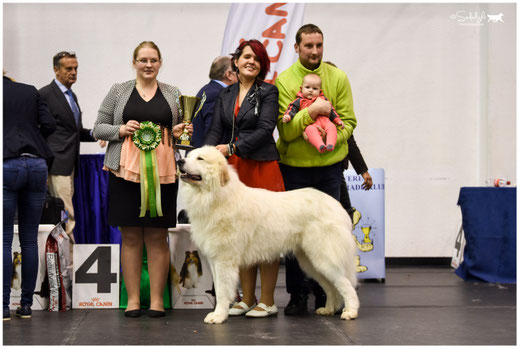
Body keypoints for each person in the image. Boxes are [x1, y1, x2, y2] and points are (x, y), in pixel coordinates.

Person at [93, 41, 191, 318]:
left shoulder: (173, 93)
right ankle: (134, 300)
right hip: (124, 171)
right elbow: (97, 127)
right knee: (132, 236)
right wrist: (121, 129)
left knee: (158, 236)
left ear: (160, 63)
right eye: (143, 60)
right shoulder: (118, 90)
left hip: (163, 173)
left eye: (153, 60)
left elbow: (181, 134)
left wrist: (181, 131)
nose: (148, 65)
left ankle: (158, 300)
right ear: (134, 62)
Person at [275, 23, 357, 315]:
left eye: (319, 45)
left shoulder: (338, 77)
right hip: (295, 169)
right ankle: (297, 294)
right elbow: (286, 133)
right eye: (308, 46)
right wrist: (311, 112)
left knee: (329, 235)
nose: (314, 51)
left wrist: (333, 141)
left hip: (329, 169)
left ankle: (328, 294)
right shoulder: (284, 81)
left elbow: (348, 121)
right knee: (295, 236)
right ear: (296, 48)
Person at [204, 39, 285, 318]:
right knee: (242, 235)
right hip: (236, 169)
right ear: (235, 62)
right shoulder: (225, 94)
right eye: (247, 57)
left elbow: (265, 129)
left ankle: (268, 300)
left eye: (257, 59)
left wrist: (232, 147)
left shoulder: (269, 92)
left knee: (268, 235)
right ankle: (247, 299)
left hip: (263, 166)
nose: (251, 61)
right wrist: (202, 155)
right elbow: (215, 130)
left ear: (262, 66)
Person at [3, 74, 56, 321]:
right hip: (37, 164)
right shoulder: (29, 90)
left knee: (3, 240)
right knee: (30, 240)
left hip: (6, 165)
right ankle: (26, 306)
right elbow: (49, 125)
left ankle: (3, 307)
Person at [39, 51, 105, 244]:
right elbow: (39, 132)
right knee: (66, 216)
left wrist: (97, 133)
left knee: (65, 214)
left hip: (69, 165)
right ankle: (67, 264)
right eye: (69, 68)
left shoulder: (71, 96)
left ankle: (65, 264)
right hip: (56, 164)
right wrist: (43, 166)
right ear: (56, 70)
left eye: (76, 68)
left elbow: (74, 132)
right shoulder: (45, 95)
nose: (73, 72)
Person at [283, 73, 344, 153]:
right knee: (309, 130)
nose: (311, 90)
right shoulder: (299, 101)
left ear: (320, 91)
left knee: (332, 127)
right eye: (307, 87)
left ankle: (330, 144)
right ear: (301, 88)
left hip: (325, 121)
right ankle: (320, 146)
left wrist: (337, 120)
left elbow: (332, 110)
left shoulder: (323, 99)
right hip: (312, 124)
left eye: (315, 88)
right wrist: (288, 116)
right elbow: (292, 109)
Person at [192, 56, 238, 148]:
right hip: (207, 156)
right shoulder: (217, 94)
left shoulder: (207, 90)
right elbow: (213, 131)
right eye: (238, 72)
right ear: (229, 75)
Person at [341, 135, 373, 225]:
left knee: (345, 213)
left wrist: (363, 171)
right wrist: (363, 171)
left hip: (335, 170)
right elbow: (349, 142)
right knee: (344, 213)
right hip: (332, 172)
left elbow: (349, 142)